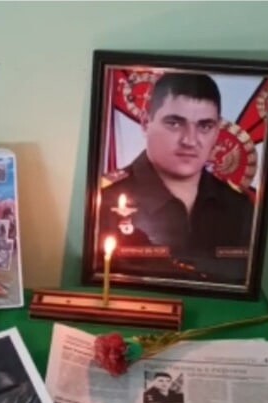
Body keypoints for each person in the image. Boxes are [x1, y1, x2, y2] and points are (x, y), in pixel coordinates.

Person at [99, 72, 254, 284]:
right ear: (145, 123)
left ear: (217, 130)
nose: (190, 140)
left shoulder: (239, 207)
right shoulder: (103, 200)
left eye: (204, 126)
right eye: (174, 123)